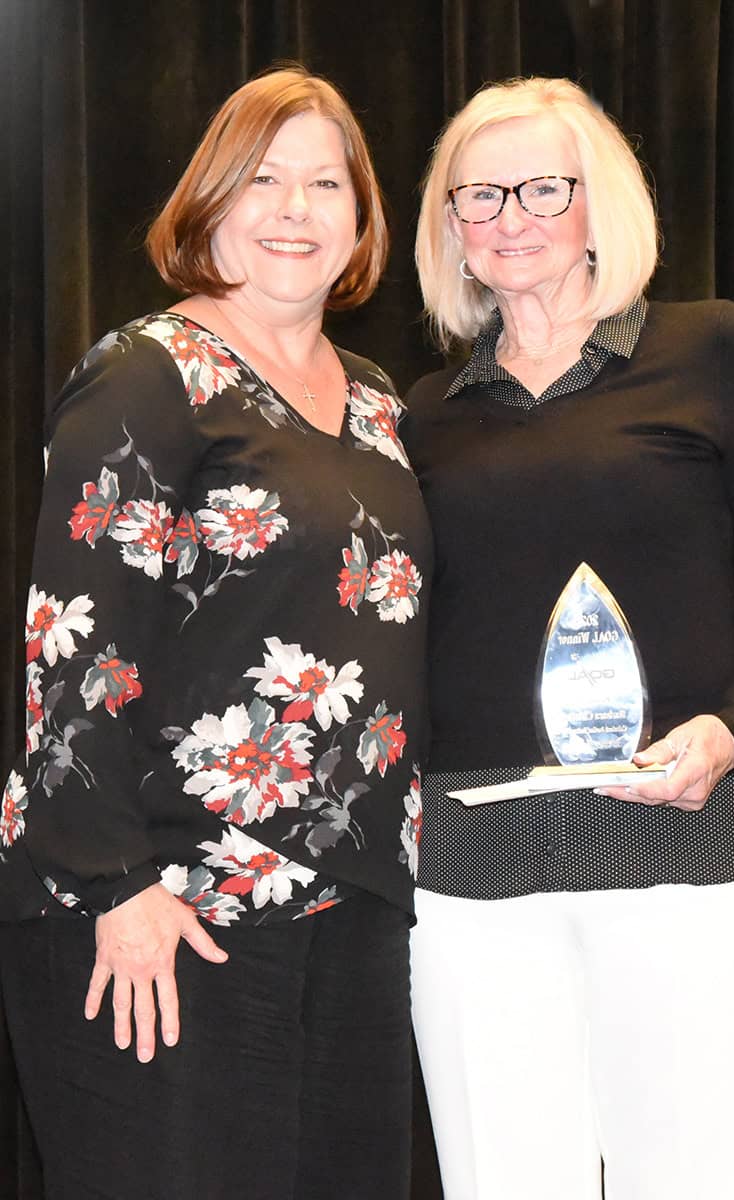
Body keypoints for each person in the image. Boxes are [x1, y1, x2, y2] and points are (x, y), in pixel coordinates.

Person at [403, 76, 734, 1200]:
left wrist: (728, 732)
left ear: (599, 201)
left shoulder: (710, 351)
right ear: (447, 227)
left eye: (542, 186)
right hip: (473, 883)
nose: (510, 216)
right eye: (480, 193)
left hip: (692, 861)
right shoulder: (412, 416)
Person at [0, 65, 430, 1200]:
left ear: (361, 217)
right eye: (263, 181)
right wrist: (112, 887)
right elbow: (72, 637)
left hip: (349, 912)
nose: (295, 210)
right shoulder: (150, 374)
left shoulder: (382, 402)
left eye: (324, 183)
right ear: (210, 205)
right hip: (163, 906)